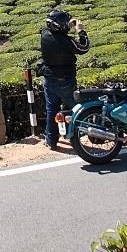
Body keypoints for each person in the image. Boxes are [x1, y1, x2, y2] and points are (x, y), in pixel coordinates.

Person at [39, 9, 90, 150]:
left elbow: (60, 30)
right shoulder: (65, 41)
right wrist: (80, 31)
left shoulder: (44, 35)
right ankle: (77, 136)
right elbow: (84, 48)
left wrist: (69, 25)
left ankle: (51, 140)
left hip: (49, 78)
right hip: (65, 79)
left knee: (51, 109)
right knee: (76, 107)